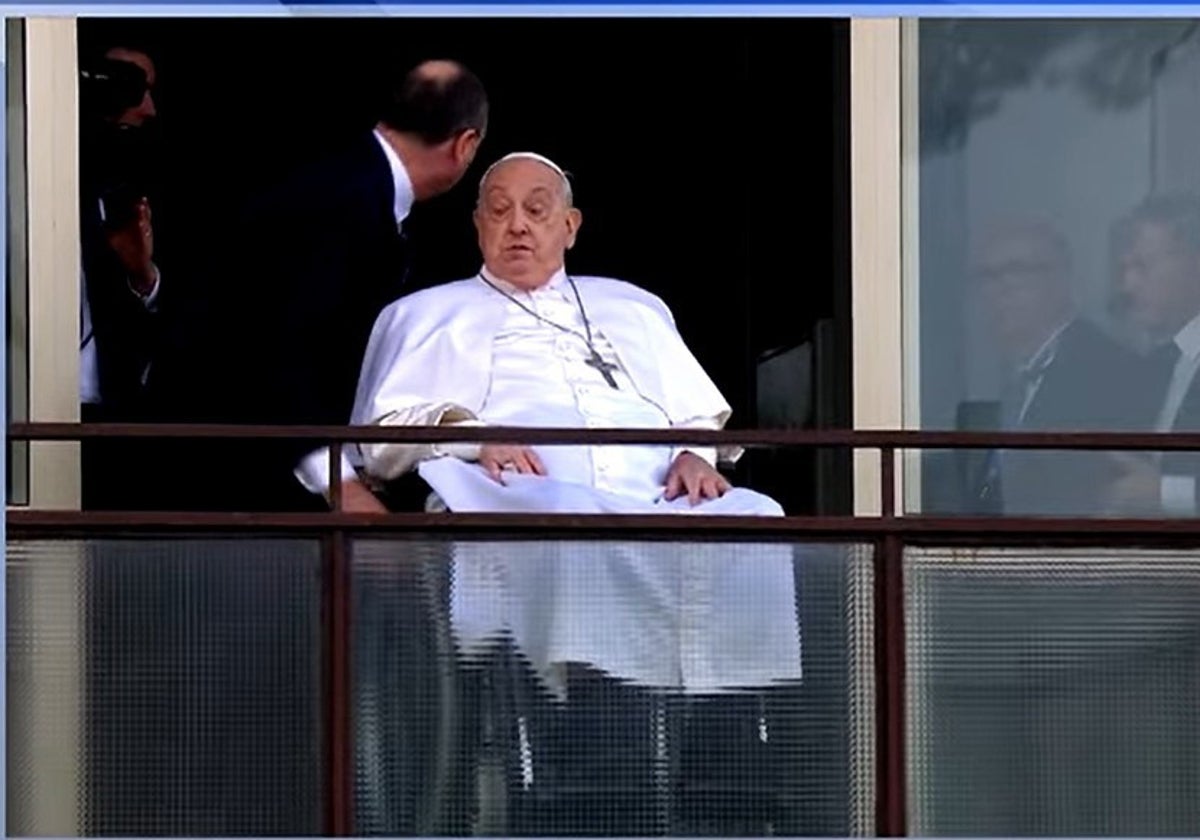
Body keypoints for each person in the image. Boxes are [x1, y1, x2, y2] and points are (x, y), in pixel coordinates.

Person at [347, 152, 804, 834]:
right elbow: (377, 435)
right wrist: (472, 434)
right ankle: (594, 768)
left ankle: (726, 765)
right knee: (575, 526)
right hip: (517, 503)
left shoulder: (634, 307)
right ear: (476, 226)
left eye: (537, 209)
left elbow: (697, 415)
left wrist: (694, 456)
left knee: (756, 517)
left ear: (571, 225)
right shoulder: (426, 313)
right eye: (498, 210)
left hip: (652, 504)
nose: (518, 226)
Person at [157, 58, 488, 513]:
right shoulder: (338, 201)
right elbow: (275, 346)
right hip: (225, 480)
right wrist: (339, 481)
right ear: (465, 145)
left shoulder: (354, 180)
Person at [78, 43, 164, 510]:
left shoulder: (146, 185)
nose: (147, 109)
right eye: (129, 89)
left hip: (114, 416)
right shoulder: (29, 169)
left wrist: (142, 275)